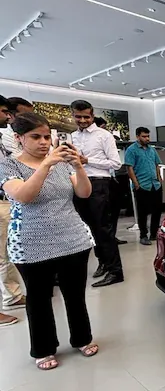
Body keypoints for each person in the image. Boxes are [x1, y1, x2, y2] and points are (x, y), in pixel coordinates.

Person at [0, 112, 100, 370]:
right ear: (18, 137)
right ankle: (43, 348)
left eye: (47, 136)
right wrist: (46, 165)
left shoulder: (62, 163)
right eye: (35, 137)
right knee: (39, 297)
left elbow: (83, 193)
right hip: (31, 242)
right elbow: (23, 195)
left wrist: (78, 165)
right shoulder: (9, 165)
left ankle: (82, 338)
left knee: (75, 294)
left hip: (73, 238)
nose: (44, 142)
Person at [70, 100, 123, 288]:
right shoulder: (72, 137)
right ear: (73, 116)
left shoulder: (104, 135)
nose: (83, 120)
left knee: (103, 228)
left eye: (86, 116)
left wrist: (88, 160)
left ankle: (115, 271)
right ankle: (103, 263)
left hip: (99, 183)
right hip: (78, 182)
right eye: (79, 116)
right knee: (89, 228)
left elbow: (116, 163)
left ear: (92, 116)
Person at [0, 96, 24, 327]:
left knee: (5, 255)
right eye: (4, 111)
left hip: (5, 201)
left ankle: (13, 295)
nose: (8, 116)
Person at [124, 127, 163, 247]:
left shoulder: (151, 150)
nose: (147, 139)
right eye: (144, 136)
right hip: (142, 185)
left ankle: (154, 233)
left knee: (157, 211)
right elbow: (129, 168)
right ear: (137, 136)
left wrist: (159, 179)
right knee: (143, 213)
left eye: (148, 136)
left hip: (155, 185)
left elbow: (157, 164)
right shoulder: (131, 150)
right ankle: (143, 235)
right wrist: (136, 184)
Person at [93, 116, 127, 246]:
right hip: (96, 182)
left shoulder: (107, 141)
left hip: (111, 180)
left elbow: (115, 163)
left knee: (113, 211)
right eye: (103, 128)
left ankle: (112, 236)